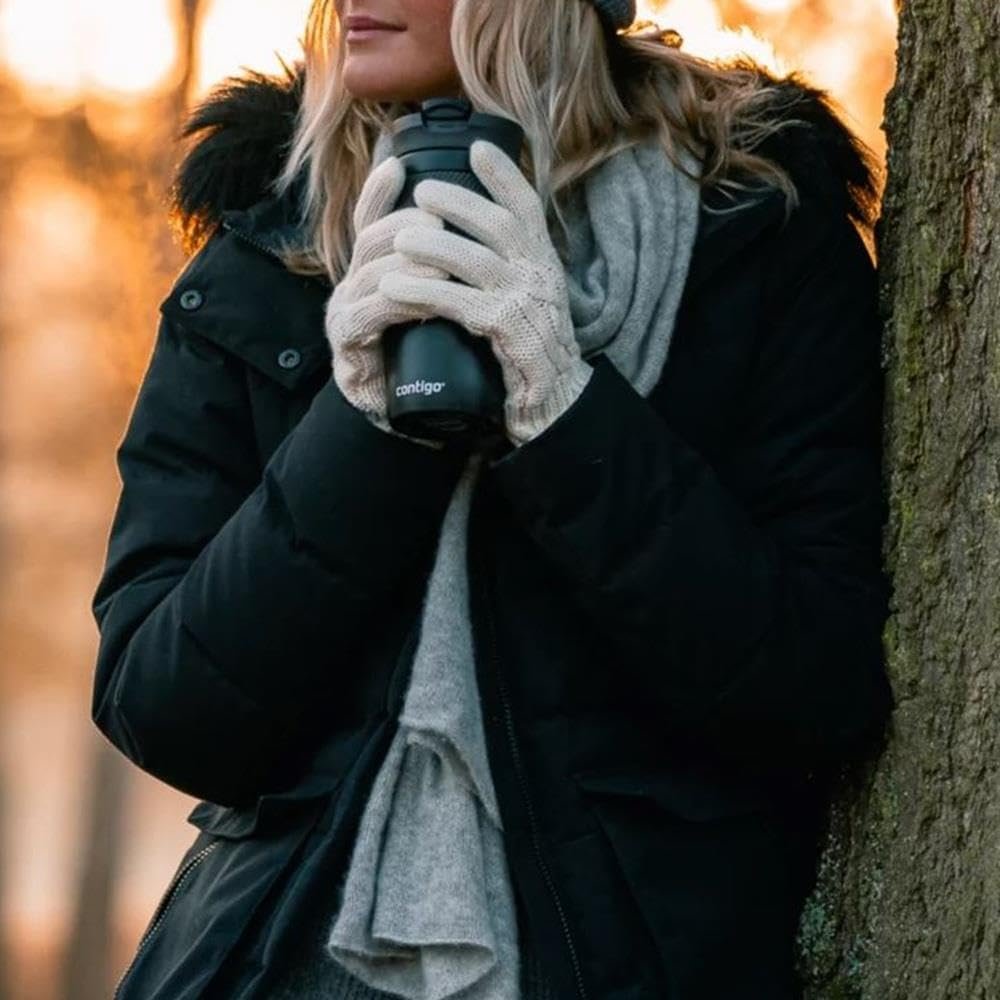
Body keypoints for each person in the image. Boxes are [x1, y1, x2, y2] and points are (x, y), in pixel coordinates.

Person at [90, 1, 895, 997]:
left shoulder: (751, 227)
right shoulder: (264, 242)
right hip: (281, 954)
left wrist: (562, 408)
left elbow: (816, 686)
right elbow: (165, 709)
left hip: (625, 958)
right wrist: (363, 426)